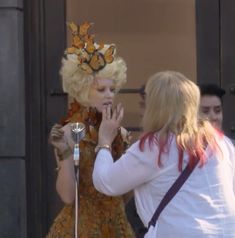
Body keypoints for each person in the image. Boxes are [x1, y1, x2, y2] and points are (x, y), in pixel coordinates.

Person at [93, 71, 235, 238]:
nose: (142, 109)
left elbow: (106, 182)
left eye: (145, 102)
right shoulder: (221, 142)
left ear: (155, 106)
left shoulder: (154, 147)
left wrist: (104, 142)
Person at [46, 21, 134, 238]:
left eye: (113, 89)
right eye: (101, 89)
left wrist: (124, 148)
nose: (109, 95)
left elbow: (125, 194)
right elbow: (67, 196)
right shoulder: (69, 133)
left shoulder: (121, 134)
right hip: (79, 229)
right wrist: (64, 153)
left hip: (116, 228)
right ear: (83, 89)